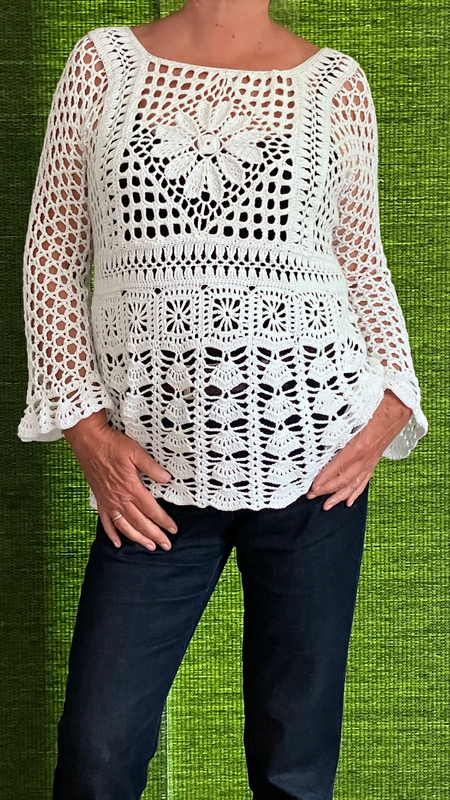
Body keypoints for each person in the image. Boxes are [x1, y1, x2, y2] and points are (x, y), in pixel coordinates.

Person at [17, 1, 428, 798]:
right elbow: (52, 253)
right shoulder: (104, 65)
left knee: (295, 763)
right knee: (98, 752)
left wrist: (390, 407)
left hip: (316, 462)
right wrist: (86, 430)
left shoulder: (336, 84)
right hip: (153, 479)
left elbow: (361, 263)